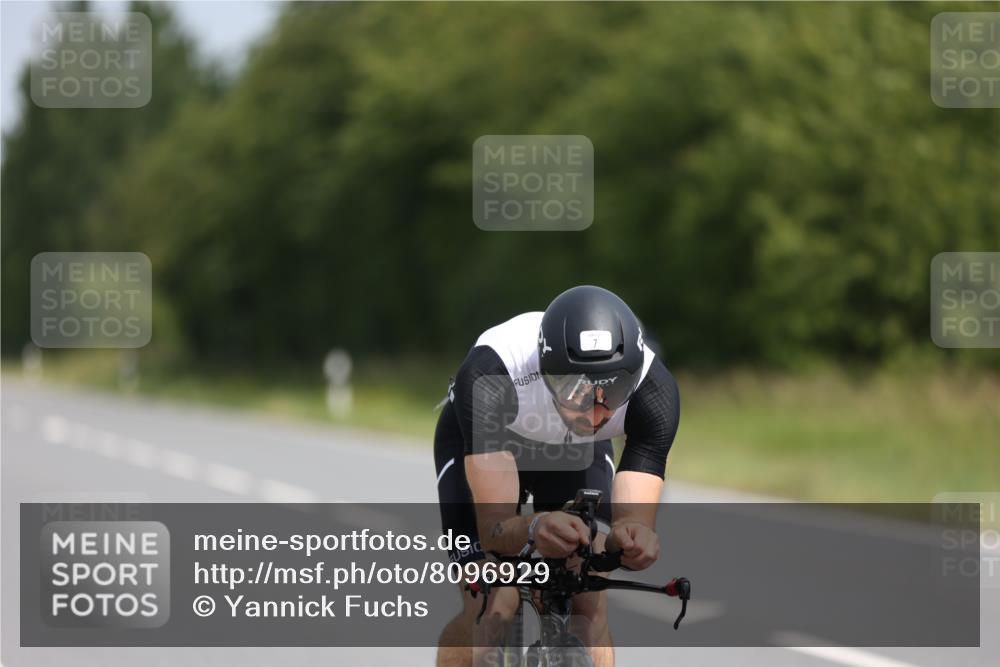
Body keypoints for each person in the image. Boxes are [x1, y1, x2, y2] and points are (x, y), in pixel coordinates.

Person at [433, 285, 681, 667]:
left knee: (590, 607)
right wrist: (534, 528)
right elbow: (495, 527)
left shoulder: (654, 391)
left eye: (612, 392)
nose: (594, 412)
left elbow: (633, 522)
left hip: (574, 449)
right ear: (546, 370)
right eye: (576, 389)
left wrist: (629, 540)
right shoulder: (491, 372)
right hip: (489, 437)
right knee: (491, 607)